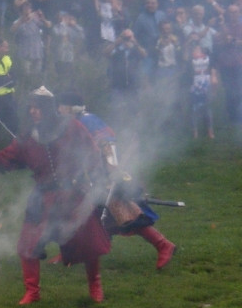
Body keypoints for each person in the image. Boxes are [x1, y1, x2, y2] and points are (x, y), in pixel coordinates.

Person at [0, 87, 111, 304]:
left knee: (88, 243)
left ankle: (95, 286)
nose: (33, 112)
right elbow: (5, 158)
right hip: (43, 198)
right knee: (28, 244)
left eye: (37, 107)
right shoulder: (27, 137)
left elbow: (91, 151)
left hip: (72, 194)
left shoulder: (71, 126)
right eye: (31, 108)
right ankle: (32, 292)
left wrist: (92, 176)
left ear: (48, 108)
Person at [57, 91, 176, 269]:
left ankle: (163, 245)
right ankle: (69, 253)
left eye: (60, 106)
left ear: (69, 108)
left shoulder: (88, 122)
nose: (58, 110)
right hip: (87, 177)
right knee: (82, 215)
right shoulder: (77, 122)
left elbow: (107, 145)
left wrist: (112, 175)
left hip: (103, 177)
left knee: (126, 215)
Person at [189, 46, 217, 139]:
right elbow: (187, 68)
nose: (195, 50)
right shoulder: (190, 58)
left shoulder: (208, 57)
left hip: (206, 81)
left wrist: (213, 77)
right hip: (195, 83)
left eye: (198, 49)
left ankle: (210, 130)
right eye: (194, 49)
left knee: (207, 107)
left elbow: (213, 67)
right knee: (193, 108)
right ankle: (195, 131)